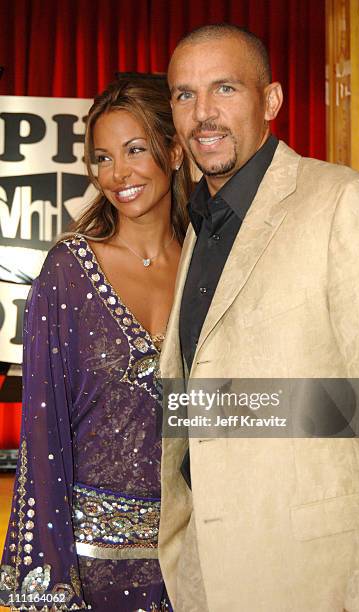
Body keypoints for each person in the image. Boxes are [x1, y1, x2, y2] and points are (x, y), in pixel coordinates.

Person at [157, 24, 359, 612]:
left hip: (315, 579)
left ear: (270, 101)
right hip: (206, 573)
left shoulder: (341, 203)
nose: (203, 114)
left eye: (225, 89)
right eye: (185, 95)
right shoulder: (201, 225)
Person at [0, 78, 193, 611]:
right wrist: (53, 577)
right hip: (94, 566)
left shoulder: (208, 265)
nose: (117, 174)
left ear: (174, 151)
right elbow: (42, 429)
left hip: (195, 559)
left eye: (135, 150)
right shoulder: (68, 271)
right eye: (103, 158)